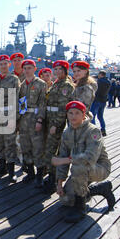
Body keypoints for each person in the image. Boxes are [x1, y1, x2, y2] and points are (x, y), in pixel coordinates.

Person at [51, 101, 115, 223]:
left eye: (77, 113)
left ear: (83, 114)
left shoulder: (93, 131)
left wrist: (64, 160)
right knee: (66, 200)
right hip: (80, 171)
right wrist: (59, 183)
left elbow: (90, 158)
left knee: (79, 166)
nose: (73, 116)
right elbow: (62, 157)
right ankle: (101, 189)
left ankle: (80, 209)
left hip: (99, 168)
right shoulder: (67, 133)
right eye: (70, 113)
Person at [40, 60, 75, 193]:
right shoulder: (56, 84)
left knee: (52, 150)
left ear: (65, 71)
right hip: (49, 120)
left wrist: (56, 125)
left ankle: (53, 179)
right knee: (48, 149)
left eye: (60, 69)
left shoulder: (66, 86)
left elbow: (62, 108)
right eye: (55, 69)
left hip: (55, 122)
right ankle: (50, 176)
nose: (57, 72)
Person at [0, 55, 21, 183]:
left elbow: (18, 99)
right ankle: (2, 167)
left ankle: (11, 171)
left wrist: (15, 118)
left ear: (9, 65)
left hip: (9, 115)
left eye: (5, 63)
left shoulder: (14, 79)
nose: (3, 66)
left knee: (10, 143)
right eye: (1, 64)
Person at [17, 59, 47, 184]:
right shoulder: (22, 85)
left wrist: (40, 120)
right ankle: (30, 173)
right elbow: (20, 103)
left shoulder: (41, 84)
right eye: (25, 68)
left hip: (35, 119)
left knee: (38, 148)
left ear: (35, 69)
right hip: (24, 120)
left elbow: (43, 103)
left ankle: (40, 175)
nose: (27, 70)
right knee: (25, 147)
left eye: (30, 68)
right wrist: (18, 121)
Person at [91, 70, 110, 136]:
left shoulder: (98, 82)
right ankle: (103, 129)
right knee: (100, 116)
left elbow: (95, 90)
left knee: (92, 116)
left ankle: (94, 131)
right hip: (103, 101)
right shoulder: (108, 82)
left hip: (96, 100)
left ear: (101, 74)